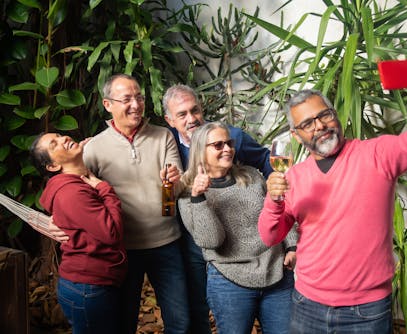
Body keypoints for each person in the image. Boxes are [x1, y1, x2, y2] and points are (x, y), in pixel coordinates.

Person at [258, 71, 407, 333]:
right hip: (307, 304)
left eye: (323, 115)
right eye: (307, 124)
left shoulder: (376, 154)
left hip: (366, 310)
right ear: (296, 135)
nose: (319, 126)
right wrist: (274, 200)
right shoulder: (295, 176)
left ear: (335, 114)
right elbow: (270, 236)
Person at [162, 84, 274, 333]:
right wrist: (168, 189)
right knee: (198, 304)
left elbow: (265, 159)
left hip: (237, 237)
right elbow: (167, 206)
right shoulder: (165, 144)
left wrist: (274, 191)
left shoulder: (230, 138)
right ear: (169, 120)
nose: (192, 119)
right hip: (193, 234)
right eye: (182, 114)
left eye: (195, 110)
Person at [82, 74, 189, 333]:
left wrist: (173, 182)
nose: (136, 104)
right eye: (126, 99)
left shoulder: (163, 136)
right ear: (108, 105)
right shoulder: (94, 147)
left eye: (139, 97)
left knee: (180, 322)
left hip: (166, 243)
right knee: (123, 323)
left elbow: (173, 193)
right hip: (122, 248)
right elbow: (82, 197)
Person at [177, 122, 297, 334]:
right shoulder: (188, 194)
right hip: (230, 281)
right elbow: (212, 241)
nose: (227, 149)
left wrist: (291, 246)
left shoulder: (251, 175)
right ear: (200, 152)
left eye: (229, 143)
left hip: (276, 273)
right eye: (218, 145)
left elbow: (279, 211)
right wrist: (199, 198)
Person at [30, 132, 127, 334]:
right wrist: (104, 188)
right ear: (52, 166)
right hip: (88, 286)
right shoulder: (72, 192)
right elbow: (112, 232)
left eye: (59, 134)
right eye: (54, 144)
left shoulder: (79, 181)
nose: (64, 138)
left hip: (91, 283)